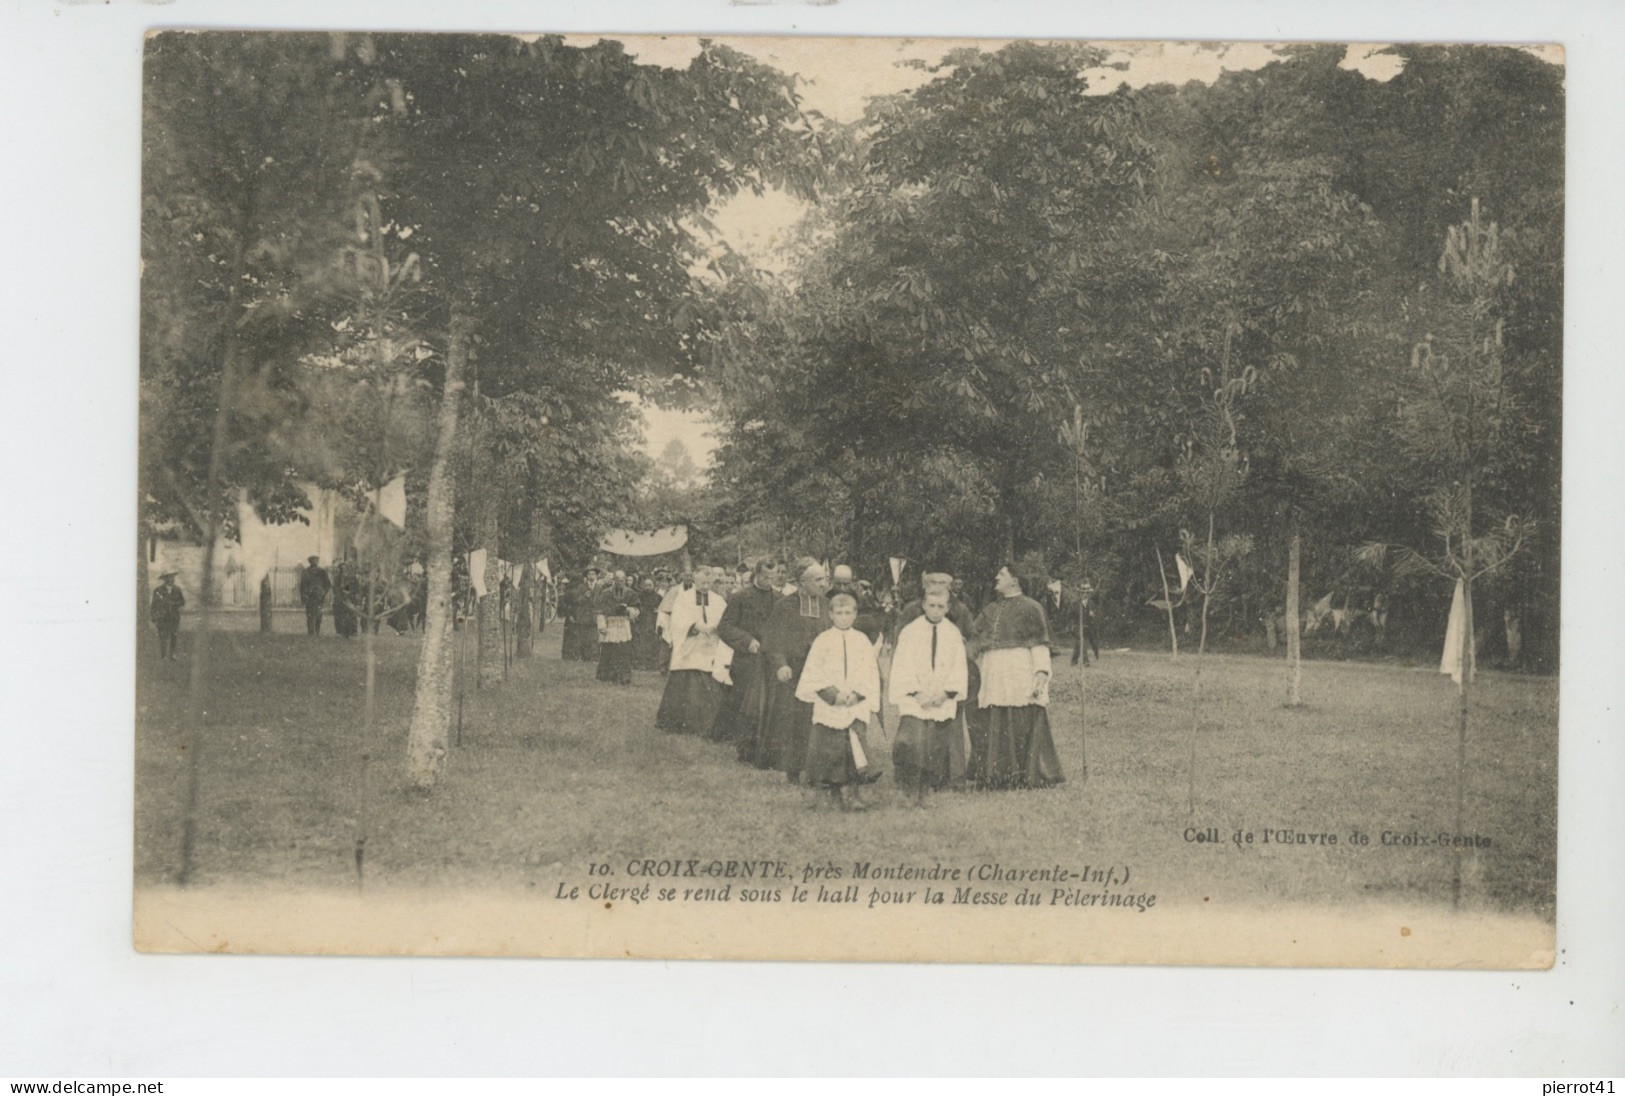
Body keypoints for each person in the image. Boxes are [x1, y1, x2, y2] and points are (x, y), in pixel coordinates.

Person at [966, 563, 1065, 789]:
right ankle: (994, 774)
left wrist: (1041, 673)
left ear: (1015, 580)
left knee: (1021, 719)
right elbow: (973, 640)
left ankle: (1025, 774)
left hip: (1019, 671)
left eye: (1001, 574)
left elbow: (1040, 645)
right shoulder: (990, 609)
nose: (995, 577)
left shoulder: (1032, 608)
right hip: (994, 672)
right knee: (994, 718)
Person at [795, 592, 882, 810]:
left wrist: (857, 695)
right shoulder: (822, 640)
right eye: (839, 613)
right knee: (831, 749)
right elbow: (814, 672)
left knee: (853, 749)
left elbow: (869, 672)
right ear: (831, 615)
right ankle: (833, 793)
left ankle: (853, 794)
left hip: (855, 702)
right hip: (830, 703)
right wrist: (833, 695)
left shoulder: (862, 641)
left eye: (848, 613)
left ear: (855, 615)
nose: (843, 617)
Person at [889, 587, 969, 806]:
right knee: (912, 742)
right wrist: (917, 692)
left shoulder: (952, 633)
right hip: (916, 699)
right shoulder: (910, 631)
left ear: (948, 607)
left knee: (935, 746)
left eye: (941, 607)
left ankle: (926, 790)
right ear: (923, 605)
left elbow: (958, 667)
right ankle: (907, 789)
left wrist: (946, 693)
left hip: (940, 698)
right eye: (931, 606)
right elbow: (903, 665)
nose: (935, 610)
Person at [755, 558, 833, 781]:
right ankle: (792, 769)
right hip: (794, 672)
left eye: (824, 579)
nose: (822, 584)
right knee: (793, 721)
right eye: (817, 579)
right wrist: (781, 664)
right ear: (802, 582)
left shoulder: (828, 606)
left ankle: (818, 768)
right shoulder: (784, 606)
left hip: (821, 672)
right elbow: (773, 640)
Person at [713, 557, 784, 757]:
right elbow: (725, 627)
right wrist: (747, 641)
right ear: (756, 575)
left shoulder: (779, 599)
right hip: (747, 658)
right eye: (765, 576)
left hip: (770, 658)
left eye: (773, 576)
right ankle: (745, 748)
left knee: (770, 701)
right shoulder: (740, 597)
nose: (769, 580)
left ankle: (767, 747)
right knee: (747, 702)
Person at [655, 565, 727, 734]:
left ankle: (708, 725)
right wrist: (695, 626)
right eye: (702, 582)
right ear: (695, 580)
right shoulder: (684, 598)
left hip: (710, 646)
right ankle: (681, 722)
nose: (706, 586)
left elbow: (725, 618)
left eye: (709, 583)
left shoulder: (718, 599)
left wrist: (716, 626)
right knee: (686, 682)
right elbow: (678, 621)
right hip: (690, 645)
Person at [594, 571, 638, 685]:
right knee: (609, 650)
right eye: (617, 580)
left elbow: (637, 608)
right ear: (614, 580)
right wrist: (601, 625)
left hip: (623, 623)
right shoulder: (605, 593)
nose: (620, 583)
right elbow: (599, 609)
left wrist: (629, 610)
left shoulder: (630, 593)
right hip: (610, 623)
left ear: (625, 580)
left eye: (622, 581)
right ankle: (606, 675)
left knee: (624, 650)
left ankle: (624, 676)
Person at [150, 570, 185, 661]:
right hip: (162, 617)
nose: (172, 579)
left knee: (174, 635)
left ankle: (173, 655)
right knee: (163, 636)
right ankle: (163, 655)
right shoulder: (158, 590)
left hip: (174, 617)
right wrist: (154, 616)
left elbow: (182, 601)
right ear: (165, 579)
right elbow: (154, 604)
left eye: (173, 577)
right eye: (169, 577)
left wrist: (175, 604)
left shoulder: (177, 589)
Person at [631, 576, 664, 670]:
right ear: (643, 586)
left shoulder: (658, 597)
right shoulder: (639, 596)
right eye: (646, 585)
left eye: (650, 585)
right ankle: (642, 664)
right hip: (642, 621)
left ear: (654, 586)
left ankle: (653, 665)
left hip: (653, 622)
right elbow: (635, 607)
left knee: (654, 642)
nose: (648, 587)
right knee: (642, 643)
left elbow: (661, 609)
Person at [298, 555, 331, 636]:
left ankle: (317, 631)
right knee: (309, 614)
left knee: (319, 614)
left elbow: (327, 584)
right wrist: (304, 596)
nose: (314, 562)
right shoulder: (306, 571)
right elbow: (302, 585)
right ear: (310, 561)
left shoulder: (322, 571)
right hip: (309, 596)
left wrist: (323, 592)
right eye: (313, 560)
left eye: (316, 560)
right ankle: (310, 632)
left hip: (319, 597)